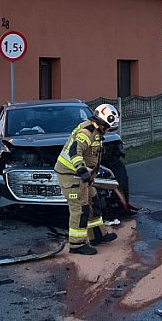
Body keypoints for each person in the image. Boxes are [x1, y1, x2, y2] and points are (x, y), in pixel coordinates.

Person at [54, 103, 119, 255]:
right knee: (80, 209)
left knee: (93, 201)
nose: (108, 131)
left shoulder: (96, 131)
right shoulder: (87, 131)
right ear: (103, 122)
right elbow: (74, 151)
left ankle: (96, 235)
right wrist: (82, 169)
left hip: (83, 176)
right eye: (108, 127)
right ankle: (77, 244)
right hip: (71, 175)